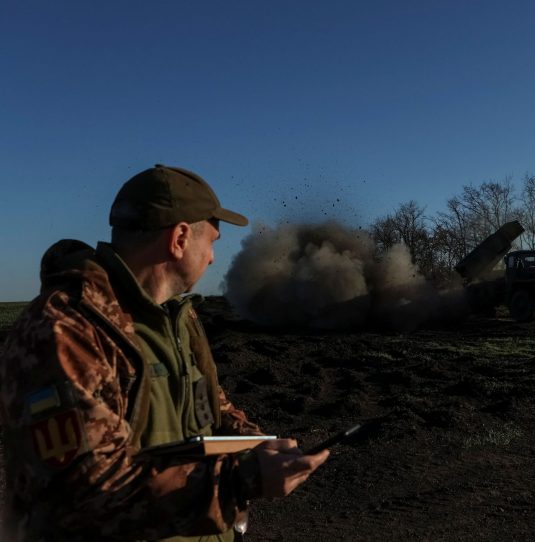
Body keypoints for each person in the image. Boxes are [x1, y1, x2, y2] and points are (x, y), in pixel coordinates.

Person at [0, 165, 329, 542]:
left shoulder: (177, 321)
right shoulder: (66, 329)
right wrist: (244, 481)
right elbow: (84, 494)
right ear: (180, 238)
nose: (212, 259)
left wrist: (260, 445)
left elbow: (212, 411)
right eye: (213, 243)